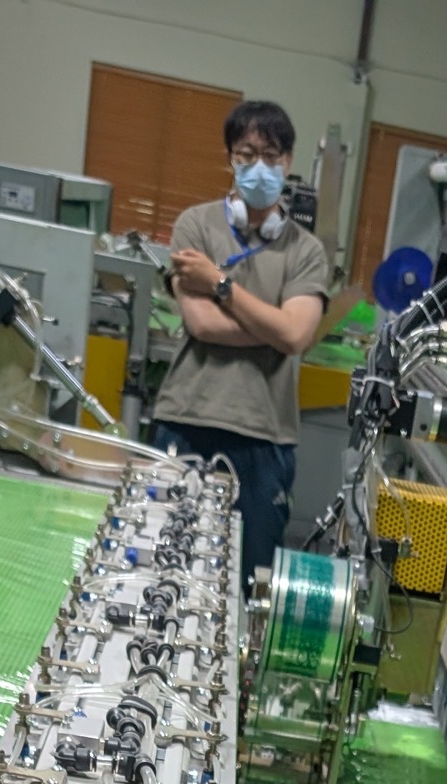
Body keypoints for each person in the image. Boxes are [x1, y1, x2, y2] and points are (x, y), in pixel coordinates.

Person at [152, 99, 331, 584]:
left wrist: (219, 283)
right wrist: (271, 328)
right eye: (247, 153)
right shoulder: (195, 226)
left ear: (288, 161)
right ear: (230, 156)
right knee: (165, 573)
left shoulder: (306, 251)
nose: (259, 166)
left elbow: (296, 335)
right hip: (187, 421)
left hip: (264, 437)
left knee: (250, 585)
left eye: (271, 155)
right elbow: (202, 326)